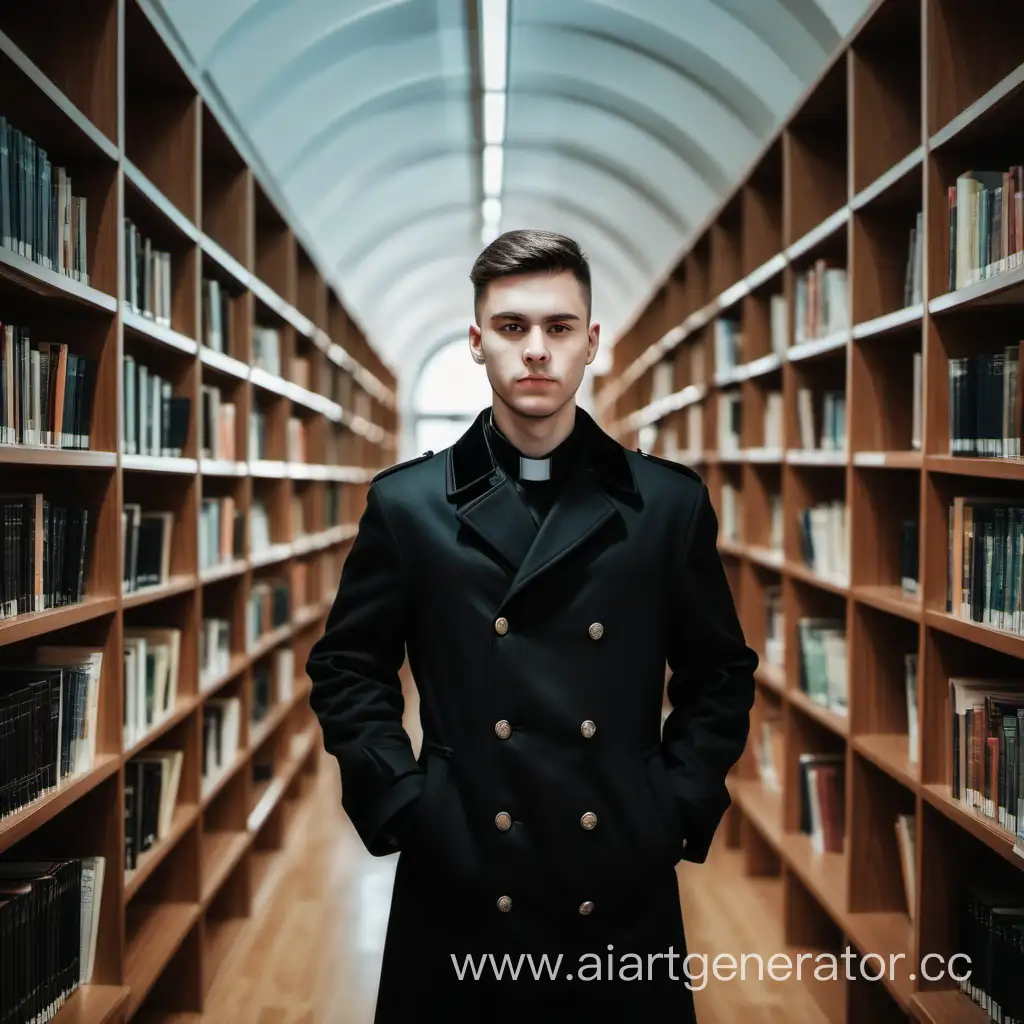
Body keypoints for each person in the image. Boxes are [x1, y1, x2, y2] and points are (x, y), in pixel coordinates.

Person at [305, 229, 757, 1022]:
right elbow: (348, 667)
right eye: (512, 328)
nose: (536, 351)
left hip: (617, 873)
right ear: (478, 344)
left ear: (592, 344)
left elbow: (719, 673)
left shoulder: (667, 506)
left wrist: (675, 804)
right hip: (463, 869)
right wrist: (406, 803)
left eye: (557, 328)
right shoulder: (408, 507)